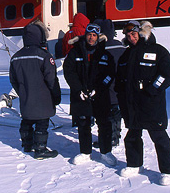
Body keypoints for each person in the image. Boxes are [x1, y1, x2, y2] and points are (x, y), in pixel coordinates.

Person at [115, 20, 170, 186]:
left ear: (141, 32)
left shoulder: (158, 51)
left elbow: (167, 73)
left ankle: (168, 170)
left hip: (151, 103)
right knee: (133, 135)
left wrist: (152, 90)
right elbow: (120, 78)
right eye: (128, 36)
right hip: (132, 104)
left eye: (133, 34)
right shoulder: (126, 55)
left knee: (159, 136)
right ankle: (135, 164)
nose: (131, 38)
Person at [63, 23, 117, 166]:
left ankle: (106, 152)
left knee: (104, 123)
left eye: (94, 35)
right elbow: (69, 72)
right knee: (83, 124)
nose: (91, 38)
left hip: (100, 95)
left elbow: (110, 74)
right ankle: (85, 152)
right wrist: (78, 89)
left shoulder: (105, 55)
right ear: (85, 35)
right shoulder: (75, 52)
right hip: (81, 95)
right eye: (89, 34)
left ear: (98, 37)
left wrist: (99, 88)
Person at [9, 20, 61, 160]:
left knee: (26, 121)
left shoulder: (15, 58)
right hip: (43, 99)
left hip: (26, 99)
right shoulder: (44, 56)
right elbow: (52, 80)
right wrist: (56, 96)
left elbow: (13, 80)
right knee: (41, 124)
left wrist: (23, 92)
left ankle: (27, 145)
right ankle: (40, 149)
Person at [94, 19, 126, 147]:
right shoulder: (122, 48)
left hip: (105, 88)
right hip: (119, 88)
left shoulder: (100, 49)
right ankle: (115, 136)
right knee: (116, 114)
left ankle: (108, 138)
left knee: (105, 115)